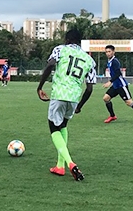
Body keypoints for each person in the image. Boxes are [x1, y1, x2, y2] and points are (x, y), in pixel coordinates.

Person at [37, 29, 95, 181]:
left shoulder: (60, 49)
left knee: (53, 128)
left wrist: (40, 86)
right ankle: (59, 166)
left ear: (67, 39)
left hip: (59, 94)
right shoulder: (89, 60)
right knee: (63, 126)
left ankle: (70, 164)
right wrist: (80, 105)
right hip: (74, 97)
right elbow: (89, 88)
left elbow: (50, 65)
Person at [103, 45, 133, 125]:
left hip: (121, 85)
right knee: (106, 98)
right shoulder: (110, 61)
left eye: (109, 51)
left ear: (113, 52)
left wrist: (110, 81)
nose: (108, 53)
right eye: (106, 52)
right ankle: (112, 116)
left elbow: (118, 73)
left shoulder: (115, 61)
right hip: (115, 86)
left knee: (129, 102)